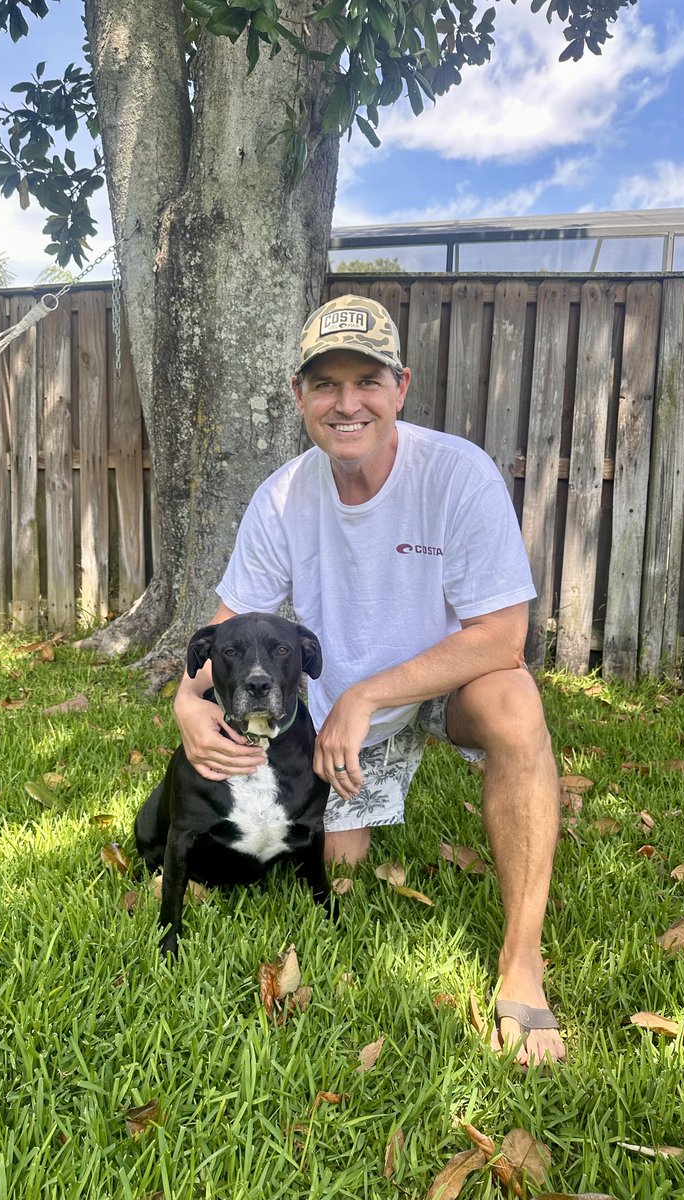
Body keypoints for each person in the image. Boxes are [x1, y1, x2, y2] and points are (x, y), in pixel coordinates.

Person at [174, 294, 565, 1066]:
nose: (346, 402)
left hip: (441, 687)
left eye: (367, 380)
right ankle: (361, 794)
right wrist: (186, 707)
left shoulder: (458, 475)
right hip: (343, 726)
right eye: (325, 383)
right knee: (340, 875)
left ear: (401, 387)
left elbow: (503, 638)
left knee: (515, 704)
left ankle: (522, 964)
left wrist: (366, 694)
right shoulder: (283, 496)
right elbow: (222, 632)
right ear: (299, 396)